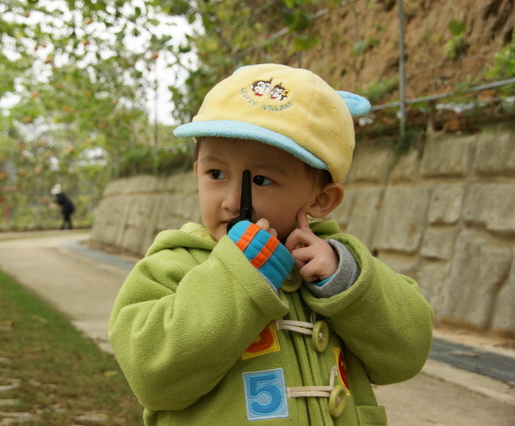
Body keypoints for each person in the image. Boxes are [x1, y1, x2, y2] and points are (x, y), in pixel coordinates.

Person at [108, 64, 434, 425]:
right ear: (197, 171)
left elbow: (407, 354)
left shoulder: (335, 269)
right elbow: (153, 377)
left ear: (322, 200)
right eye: (215, 174)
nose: (232, 201)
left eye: (261, 179)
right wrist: (235, 276)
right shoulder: (173, 265)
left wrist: (345, 280)